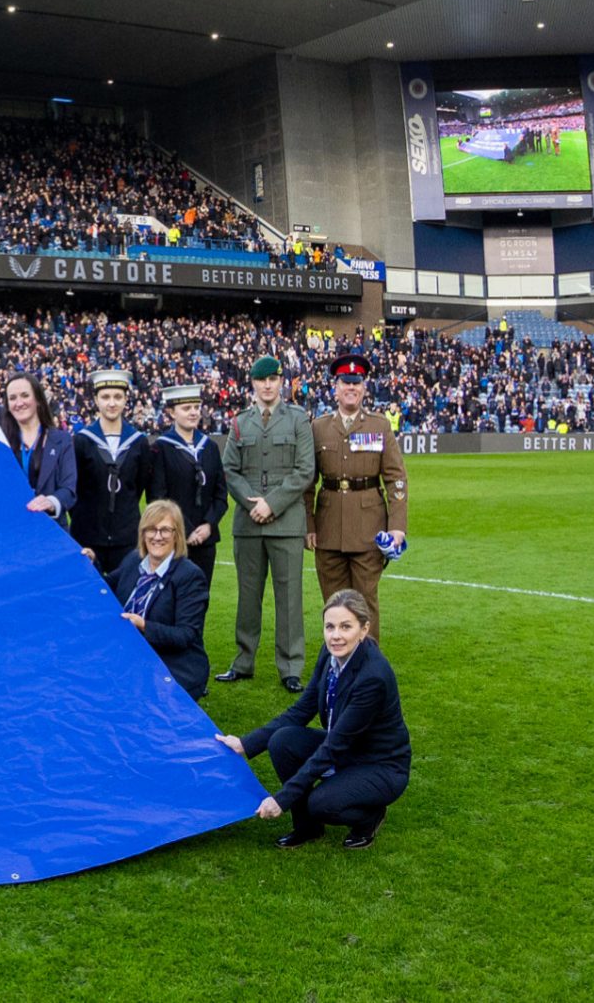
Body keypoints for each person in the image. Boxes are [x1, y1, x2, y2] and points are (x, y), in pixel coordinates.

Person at [216, 589, 410, 850]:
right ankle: (307, 827)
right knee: (282, 741)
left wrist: (281, 800)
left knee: (321, 804)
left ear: (364, 630)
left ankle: (369, 816)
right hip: (346, 748)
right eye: (330, 626)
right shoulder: (330, 653)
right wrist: (246, 744)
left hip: (380, 764)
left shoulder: (372, 677)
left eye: (346, 627)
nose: (336, 635)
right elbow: (302, 709)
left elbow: (335, 746)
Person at [219, 355, 317, 692]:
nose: (268, 385)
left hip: (286, 521)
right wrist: (252, 505)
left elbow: (305, 470)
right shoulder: (239, 422)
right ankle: (243, 661)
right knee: (248, 596)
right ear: (253, 384)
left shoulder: (298, 419)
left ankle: (290, 667)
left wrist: (271, 505)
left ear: (281, 382)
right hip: (248, 523)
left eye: (273, 379)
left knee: (289, 597)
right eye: (262, 380)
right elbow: (229, 469)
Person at [310, 353, 409, 644]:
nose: (351, 387)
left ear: (364, 387)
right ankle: (337, 663)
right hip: (328, 528)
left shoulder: (379, 426)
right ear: (335, 388)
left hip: (369, 528)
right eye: (345, 382)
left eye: (357, 382)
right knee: (333, 602)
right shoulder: (319, 427)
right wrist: (308, 525)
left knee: (365, 602)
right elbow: (307, 482)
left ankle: (368, 664)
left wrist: (397, 527)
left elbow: (396, 479)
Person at [103, 499, 211, 698]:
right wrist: (87, 563)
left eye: (165, 530)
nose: (157, 536)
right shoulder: (134, 560)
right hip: (129, 656)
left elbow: (186, 635)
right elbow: (104, 587)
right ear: (143, 533)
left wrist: (144, 625)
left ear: (177, 535)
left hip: (173, 664)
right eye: (151, 529)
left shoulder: (190, 576)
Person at [68, 369, 153, 572]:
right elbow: (74, 488)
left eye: (117, 397)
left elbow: (139, 487)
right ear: (96, 400)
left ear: (125, 400)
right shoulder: (81, 441)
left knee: (124, 599)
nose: (112, 403)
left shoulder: (139, 443)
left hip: (127, 537)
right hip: (87, 536)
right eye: (105, 397)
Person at [148, 383, 228, 581]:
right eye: (186, 408)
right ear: (171, 413)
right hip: (173, 538)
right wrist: (186, 529)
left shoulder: (209, 447)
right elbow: (157, 497)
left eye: (196, 407)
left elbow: (220, 495)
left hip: (206, 539)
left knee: (201, 598)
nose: (193, 413)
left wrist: (209, 524)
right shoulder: (161, 448)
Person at [1, 372, 77, 524]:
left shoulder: (62, 440)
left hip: (51, 532)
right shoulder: (0, 442)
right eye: (12, 398)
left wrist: (51, 502)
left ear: (38, 400)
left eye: (25, 395)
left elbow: (69, 490)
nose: (19, 402)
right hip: (12, 531)